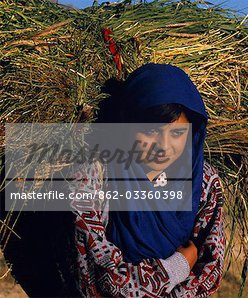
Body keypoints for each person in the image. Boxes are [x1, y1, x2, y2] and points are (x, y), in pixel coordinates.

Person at [68, 63, 226, 297]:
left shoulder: (204, 184)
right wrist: (176, 267)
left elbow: (210, 269)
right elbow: (102, 275)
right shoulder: (93, 178)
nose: (163, 146)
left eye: (176, 133)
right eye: (151, 131)